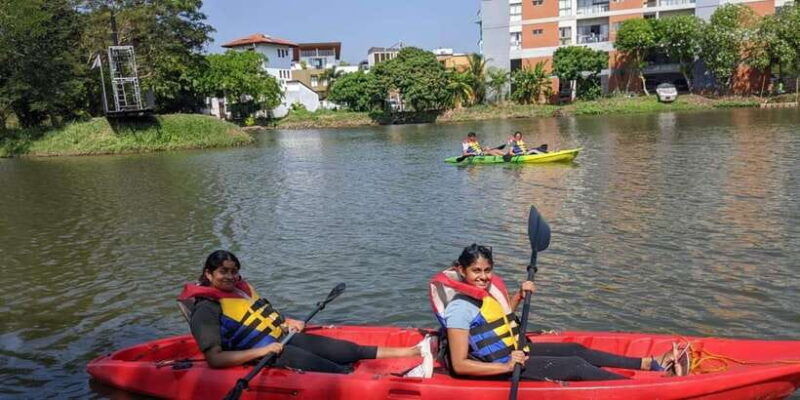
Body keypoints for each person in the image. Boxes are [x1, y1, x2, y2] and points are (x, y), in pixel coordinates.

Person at [429, 244, 689, 381]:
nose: (483, 277)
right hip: (498, 368)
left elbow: (499, 319)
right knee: (574, 366)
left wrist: (518, 296)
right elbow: (461, 365)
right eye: (476, 271)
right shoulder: (459, 309)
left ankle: (648, 363)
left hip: (512, 353)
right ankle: (645, 386)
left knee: (576, 349)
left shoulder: (484, 293)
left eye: (487, 271)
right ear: (461, 271)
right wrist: (508, 365)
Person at [179, 250, 432, 372]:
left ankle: (412, 351)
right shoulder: (206, 310)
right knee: (337, 370)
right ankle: (405, 377)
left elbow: (265, 315)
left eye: (234, 271)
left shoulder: (241, 290)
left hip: (283, 338)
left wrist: (288, 320)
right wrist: (263, 350)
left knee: (347, 350)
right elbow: (215, 360)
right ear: (208, 274)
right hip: (265, 355)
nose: (230, 277)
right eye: (223, 272)